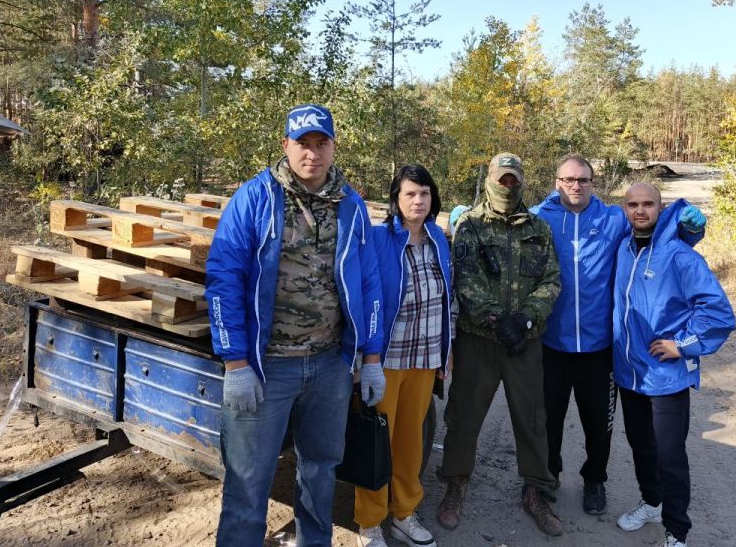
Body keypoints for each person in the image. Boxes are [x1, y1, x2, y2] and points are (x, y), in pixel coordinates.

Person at [206, 104, 386, 547]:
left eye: (320, 143)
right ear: (286, 145)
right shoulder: (257, 197)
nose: (312, 153)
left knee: (321, 472)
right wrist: (235, 363)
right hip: (268, 368)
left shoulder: (351, 204)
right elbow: (223, 276)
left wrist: (372, 355)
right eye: (302, 144)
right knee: (248, 483)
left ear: (333, 146)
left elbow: (368, 280)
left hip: (329, 366)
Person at [531, 155, 706, 515]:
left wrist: (692, 231)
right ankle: (548, 476)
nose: (575, 186)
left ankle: (595, 479)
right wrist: (464, 219)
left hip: (601, 347)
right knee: (548, 418)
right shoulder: (540, 217)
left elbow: (655, 232)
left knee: (599, 422)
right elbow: (507, 224)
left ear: (593, 183)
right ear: (557, 181)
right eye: (567, 179)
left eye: (582, 179)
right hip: (553, 343)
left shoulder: (612, 218)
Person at [436, 153, 565, 537]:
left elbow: (552, 280)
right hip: (479, 342)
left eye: (513, 180)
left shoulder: (539, 228)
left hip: (525, 342)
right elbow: (464, 279)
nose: (507, 186)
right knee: (464, 417)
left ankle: (535, 491)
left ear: (522, 182)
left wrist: (525, 319)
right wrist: (495, 318)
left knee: (533, 418)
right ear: (490, 180)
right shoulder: (470, 226)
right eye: (501, 179)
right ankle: (455, 486)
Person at [612, 182, 735, 547]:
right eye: (632, 204)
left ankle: (676, 530)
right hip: (630, 373)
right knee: (640, 446)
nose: (640, 210)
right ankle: (651, 503)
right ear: (624, 210)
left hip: (667, 377)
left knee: (669, 456)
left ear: (661, 209)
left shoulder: (681, 256)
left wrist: (683, 345)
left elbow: (718, 312)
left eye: (648, 204)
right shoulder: (623, 248)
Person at [354, 164, 455, 547]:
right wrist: (367, 359)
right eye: (410, 193)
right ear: (396, 199)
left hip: (426, 356)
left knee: (411, 441)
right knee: (377, 443)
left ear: (434, 199)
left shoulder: (437, 239)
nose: (418, 200)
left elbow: (449, 298)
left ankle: (404, 513)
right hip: (387, 361)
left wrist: (448, 350)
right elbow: (368, 297)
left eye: (425, 194)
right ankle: (369, 522)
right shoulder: (380, 239)